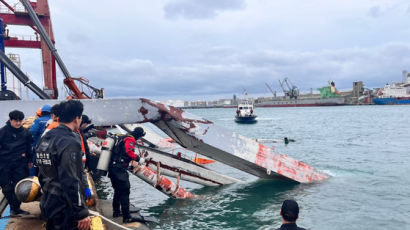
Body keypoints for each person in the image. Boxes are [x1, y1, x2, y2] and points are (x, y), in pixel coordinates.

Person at [36, 100, 90, 230]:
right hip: (65, 205)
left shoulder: (47, 137)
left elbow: (41, 171)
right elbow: (71, 178)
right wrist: (81, 212)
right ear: (77, 118)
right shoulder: (69, 141)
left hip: (48, 200)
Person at [108, 127, 145, 223]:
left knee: (118, 190)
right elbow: (128, 152)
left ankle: (116, 212)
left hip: (112, 168)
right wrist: (138, 159)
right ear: (138, 135)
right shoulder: (130, 139)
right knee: (125, 191)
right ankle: (127, 217)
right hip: (119, 169)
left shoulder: (123, 137)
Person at [0, 110, 33, 215]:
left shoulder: (26, 132)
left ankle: (16, 208)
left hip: (20, 163)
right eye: (16, 121)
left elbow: (29, 148)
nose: (18, 123)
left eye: (20, 121)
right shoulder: (2, 132)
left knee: (19, 186)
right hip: (4, 163)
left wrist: (30, 160)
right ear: (10, 120)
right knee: (6, 187)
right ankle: (12, 205)